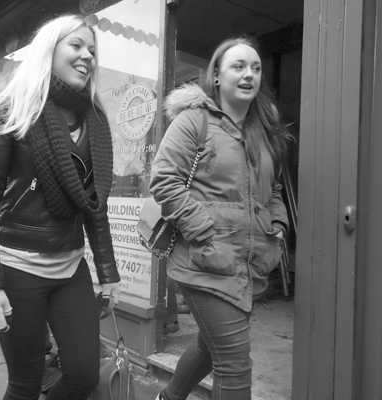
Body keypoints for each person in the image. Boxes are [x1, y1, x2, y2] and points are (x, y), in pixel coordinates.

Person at [0, 14, 121, 400]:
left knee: (84, 376)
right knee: (25, 385)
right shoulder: (14, 108)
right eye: (77, 46)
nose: (87, 56)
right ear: (49, 50)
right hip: (17, 269)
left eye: (92, 49)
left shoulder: (95, 118)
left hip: (70, 268)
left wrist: (108, 271)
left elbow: (94, 205)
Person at [150, 36, 291, 400]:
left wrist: (277, 224)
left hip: (250, 262)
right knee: (234, 363)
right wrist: (205, 234)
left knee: (209, 349)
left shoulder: (265, 131)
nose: (249, 75)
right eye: (238, 66)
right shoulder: (193, 122)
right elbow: (164, 181)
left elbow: (273, 189)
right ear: (216, 76)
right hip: (205, 260)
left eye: (256, 68)